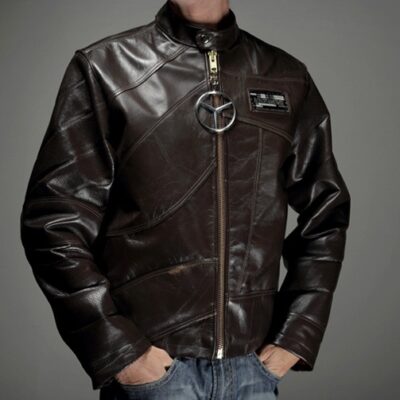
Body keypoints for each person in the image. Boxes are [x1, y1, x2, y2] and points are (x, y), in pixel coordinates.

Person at [19, 0, 351, 399]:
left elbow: (327, 214)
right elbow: (53, 222)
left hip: (252, 375)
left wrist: (295, 336)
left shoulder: (286, 77)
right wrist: (121, 352)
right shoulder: (106, 68)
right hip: (155, 376)